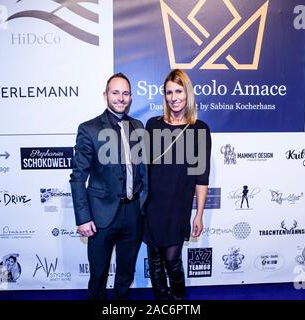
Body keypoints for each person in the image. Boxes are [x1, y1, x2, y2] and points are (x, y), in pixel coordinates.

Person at [69, 73, 148, 300]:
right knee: (99, 275)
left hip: (133, 214)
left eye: (125, 94)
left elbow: (142, 170)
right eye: (115, 93)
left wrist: (144, 205)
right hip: (101, 216)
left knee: (125, 274)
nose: (120, 98)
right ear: (106, 95)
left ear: (131, 97)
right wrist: (83, 217)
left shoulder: (138, 126)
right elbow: (77, 176)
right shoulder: (89, 129)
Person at [143, 69, 211, 300]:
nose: (174, 97)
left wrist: (199, 214)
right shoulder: (152, 125)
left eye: (178, 91)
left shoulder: (199, 129)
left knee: (172, 260)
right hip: (152, 206)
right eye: (169, 92)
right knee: (154, 260)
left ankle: (179, 300)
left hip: (177, 208)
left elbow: (201, 177)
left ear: (187, 93)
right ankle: (163, 302)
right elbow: (144, 168)